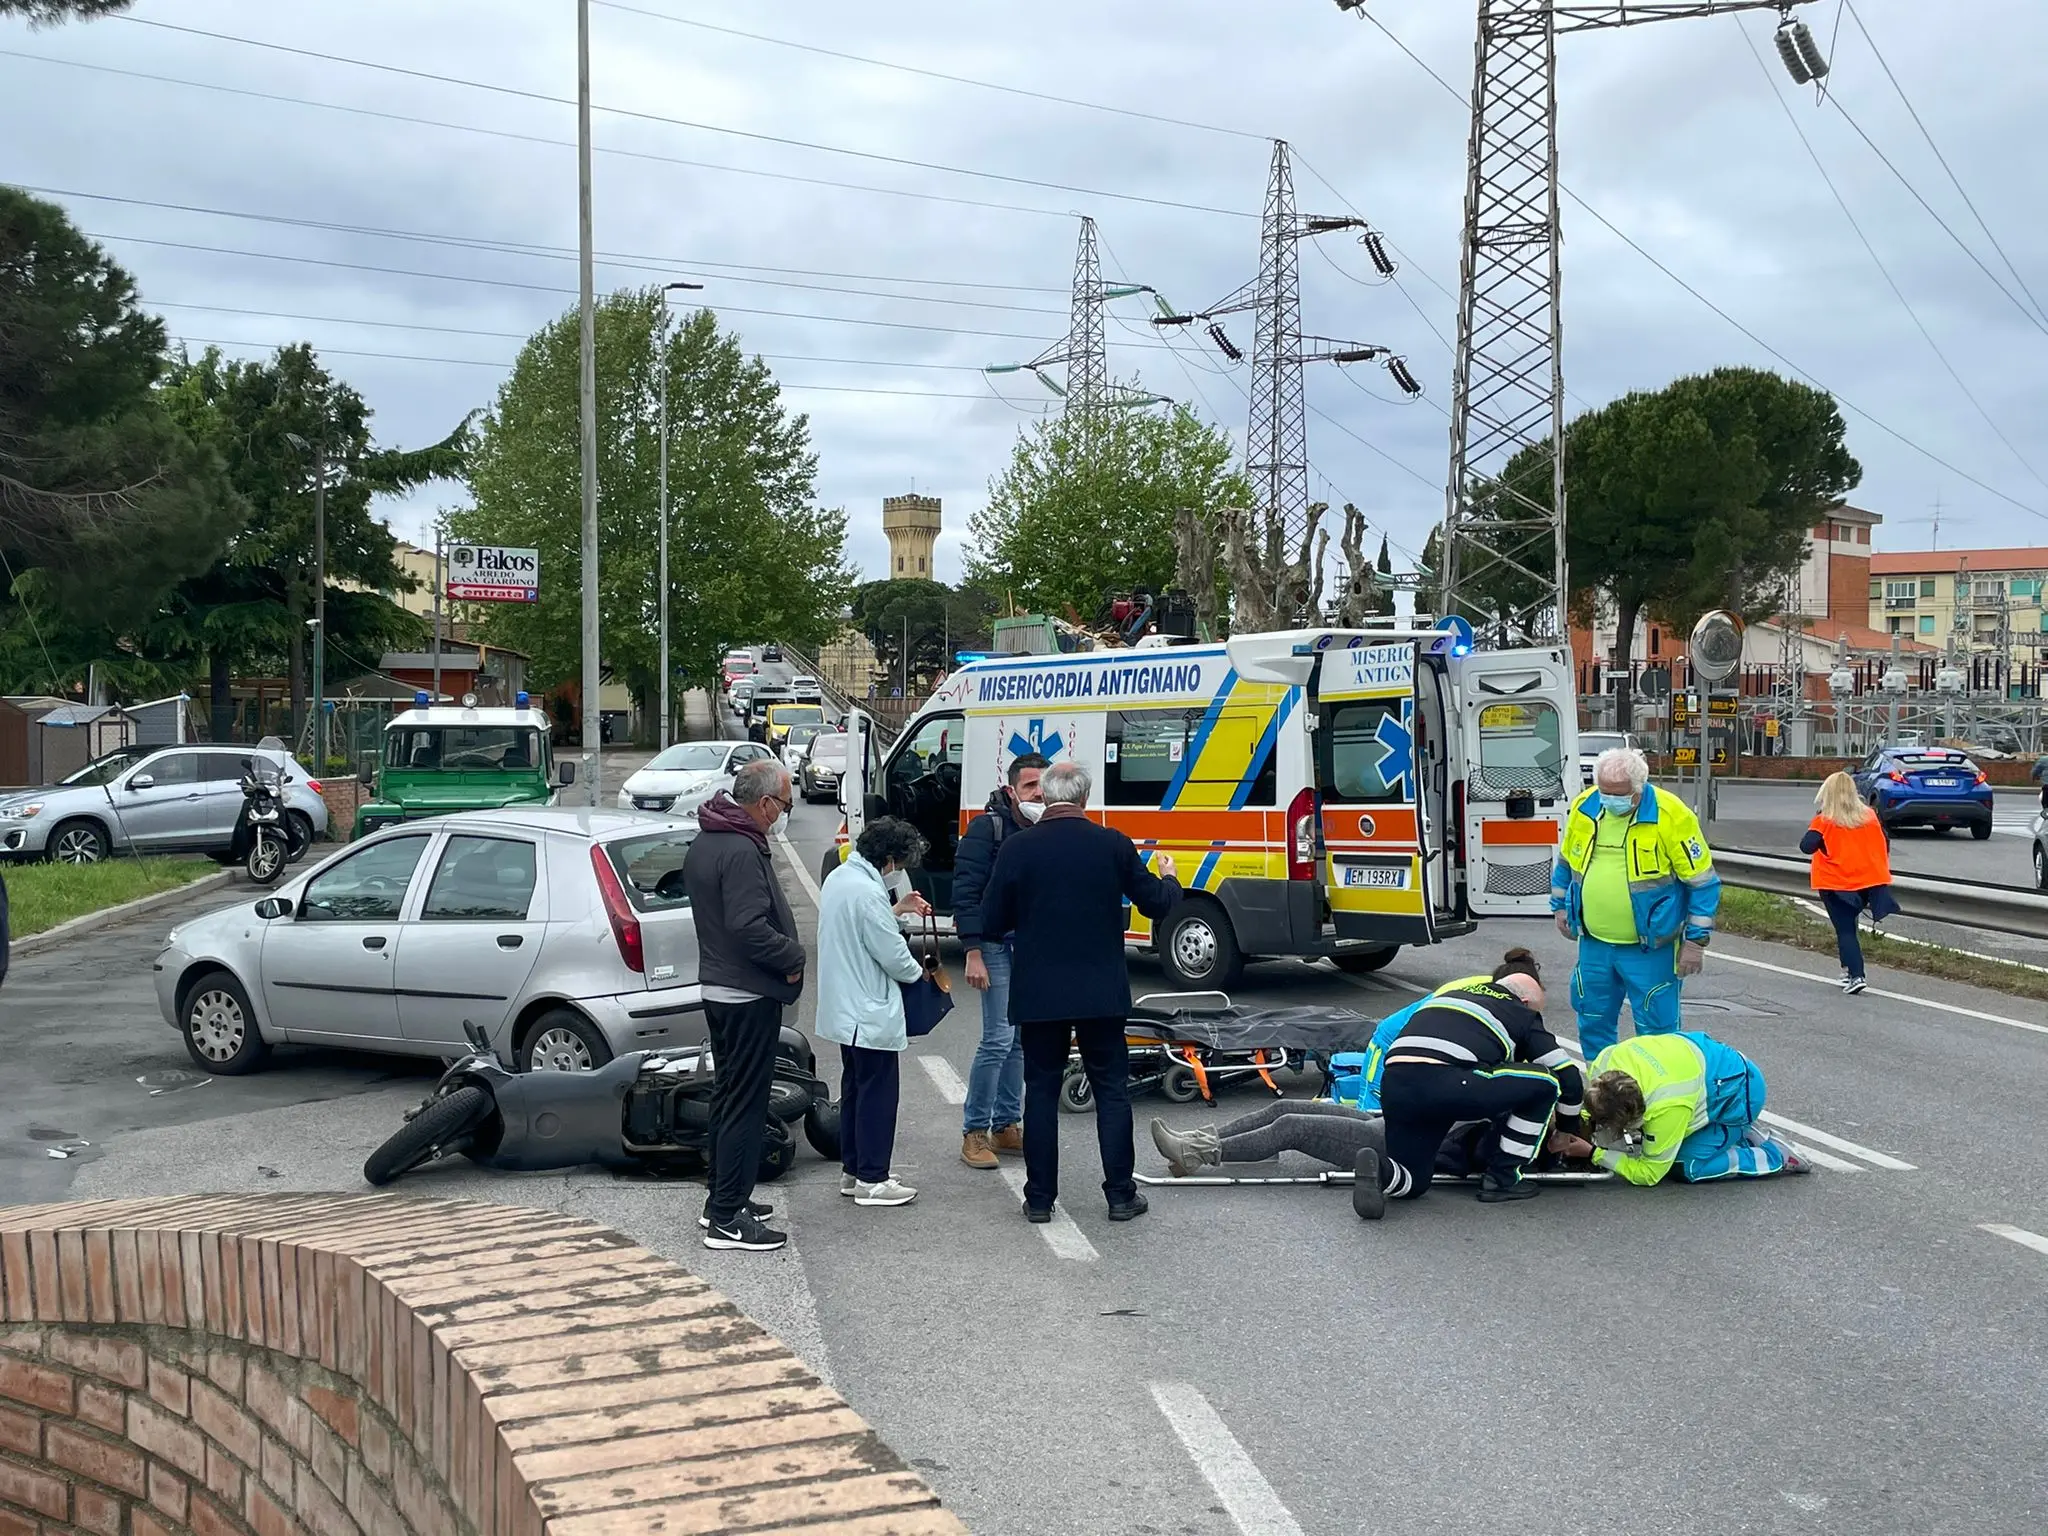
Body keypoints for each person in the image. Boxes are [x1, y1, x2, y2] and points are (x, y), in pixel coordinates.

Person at [978, 760, 1180, 1224]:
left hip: (1040, 993)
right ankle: (1120, 1195)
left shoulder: (1018, 849)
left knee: (1042, 1091)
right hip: (1100, 993)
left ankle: (1039, 1200)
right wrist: (1167, 875)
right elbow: (1156, 903)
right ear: (1085, 799)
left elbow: (990, 921)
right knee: (1111, 1091)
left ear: (1045, 799)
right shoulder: (1111, 844)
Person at [1148, 949, 1544, 1175]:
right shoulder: (1493, 1050)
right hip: (1401, 1119)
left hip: (1409, 1142)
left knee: (1291, 1126)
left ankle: (1197, 1153)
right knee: (1285, 1106)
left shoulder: (1515, 1081)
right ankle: (1195, 1142)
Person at [1351, 957, 1584, 1218]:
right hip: (1446, 1080)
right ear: (1527, 1003)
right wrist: (1566, 1131)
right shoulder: (1521, 1013)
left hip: (1397, 1084)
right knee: (1545, 1083)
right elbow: (1569, 1077)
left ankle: (1379, 1169)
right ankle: (1503, 1178)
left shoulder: (1451, 996)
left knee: (1414, 1181)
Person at [682, 759, 805, 1253]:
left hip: (720, 988)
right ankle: (728, 1220)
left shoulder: (709, 839)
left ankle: (722, 1199)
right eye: (785, 805)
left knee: (728, 1098)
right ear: (765, 803)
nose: (783, 815)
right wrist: (792, 957)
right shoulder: (740, 849)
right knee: (746, 1106)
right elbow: (748, 926)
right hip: (747, 992)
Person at [1550, 745, 1721, 1061]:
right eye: (1604, 791)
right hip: (1595, 944)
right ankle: (1602, 1092)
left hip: (1650, 949)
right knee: (1592, 1018)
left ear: (1639, 789)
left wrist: (1696, 943)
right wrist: (1559, 907)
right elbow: (1565, 862)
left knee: (1658, 1032)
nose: (1610, 799)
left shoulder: (1672, 816)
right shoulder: (1586, 807)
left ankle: (1658, 1098)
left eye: (1619, 793)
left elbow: (1704, 884)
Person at [815, 817, 934, 1208]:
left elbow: (862, 927)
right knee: (879, 1095)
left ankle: (855, 1170)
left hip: (844, 1008)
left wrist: (895, 909)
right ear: (887, 859)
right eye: (898, 864)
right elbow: (894, 957)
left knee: (855, 1090)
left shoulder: (840, 879)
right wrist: (923, 974)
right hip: (868, 1009)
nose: (897, 871)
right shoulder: (867, 893)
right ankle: (873, 1179)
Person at [951, 752, 1048, 1169]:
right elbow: (966, 892)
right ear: (1011, 790)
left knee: (1021, 1042)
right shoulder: (986, 828)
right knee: (998, 1039)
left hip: (1030, 947)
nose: (1038, 794)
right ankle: (974, 1131)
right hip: (993, 945)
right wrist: (973, 949)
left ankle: (1006, 1125)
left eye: (1044, 787)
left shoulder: (1049, 829)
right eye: (1030, 787)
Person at [1549, 1030, 1811, 1185]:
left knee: (1686, 1166)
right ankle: (1733, 1137)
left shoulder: (1667, 1107)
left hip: (1741, 1094)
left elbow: (1650, 1174)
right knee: (1663, 1145)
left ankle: (1774, 1155)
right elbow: (1593, 1107)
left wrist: (1594, 1153)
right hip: (1715, 1069)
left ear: (1634, 1116)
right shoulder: (1606, 1062)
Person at [1802, 770, 1897, 996]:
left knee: (1845, 930)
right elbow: (1884, 843)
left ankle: (1856, 975)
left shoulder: (1824, 820)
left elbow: (1806, 846)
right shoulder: (1870, 817)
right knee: (1850, 926)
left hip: (1836, 883)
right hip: (1867, 883)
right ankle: (1848, 970)